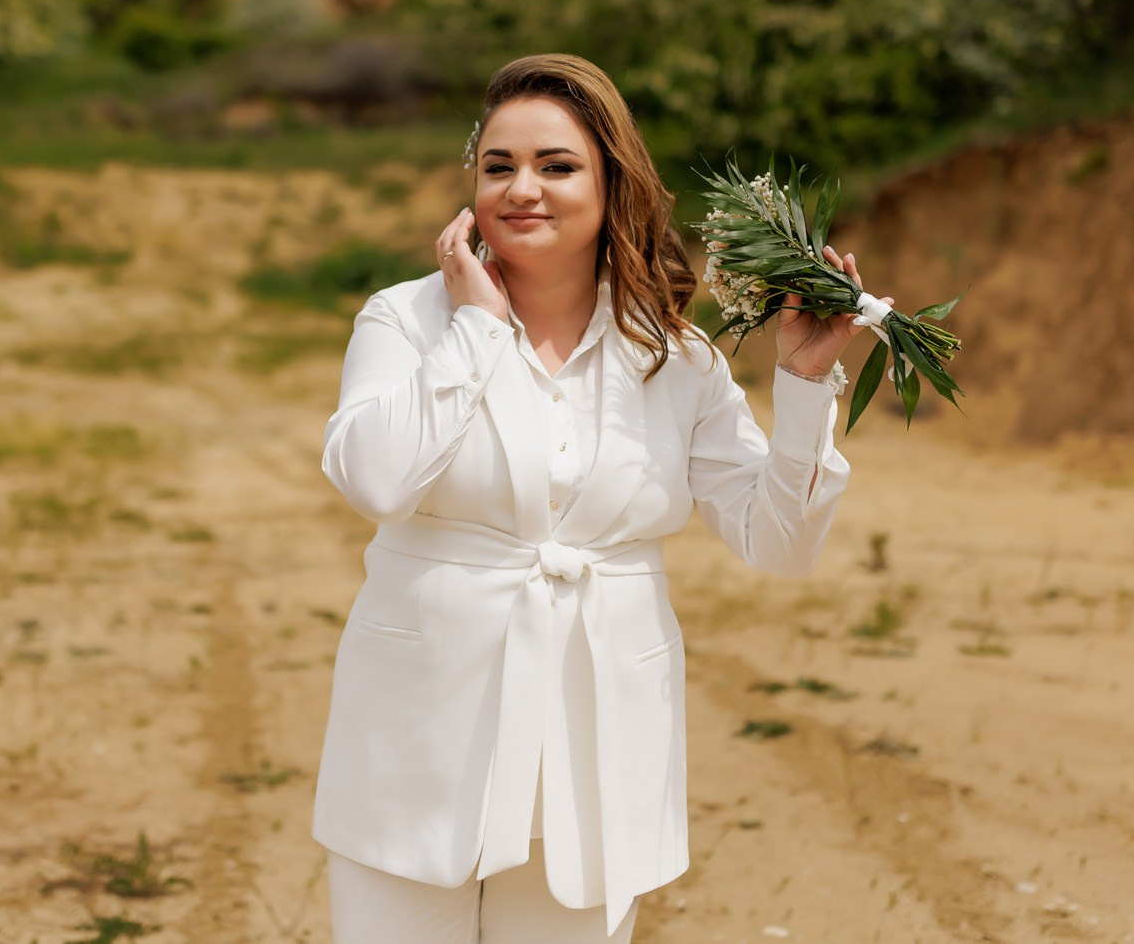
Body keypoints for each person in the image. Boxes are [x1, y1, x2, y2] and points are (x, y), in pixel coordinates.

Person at [313, 54, 865, 943]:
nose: (522, 188)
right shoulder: (403, 322)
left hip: (594, 744)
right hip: (417, 741)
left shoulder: (676, 355)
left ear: (612, 184)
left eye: (557, 166)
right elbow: (374, 479)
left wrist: (805, 383)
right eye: (499, 166)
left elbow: (780, 542)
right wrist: (476, 331)